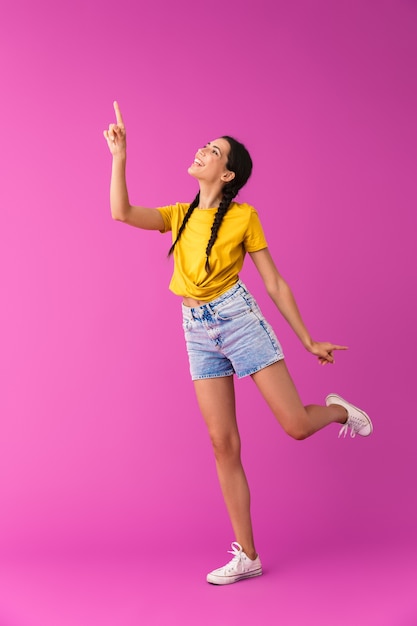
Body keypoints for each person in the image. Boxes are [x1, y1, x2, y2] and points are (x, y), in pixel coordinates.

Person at [103, 101, 373, 586]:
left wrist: (308, 339)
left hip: (239, 320)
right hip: (196, 330)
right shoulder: (178, 214)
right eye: (204, 146)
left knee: (294, 425)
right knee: (221, 444)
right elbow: (120, 212)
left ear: (227, 174)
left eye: (213, 151)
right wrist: (120, 155)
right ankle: (247, 555)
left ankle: (335, 410)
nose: (202, 151)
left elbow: (274, 282)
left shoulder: (245, 217)